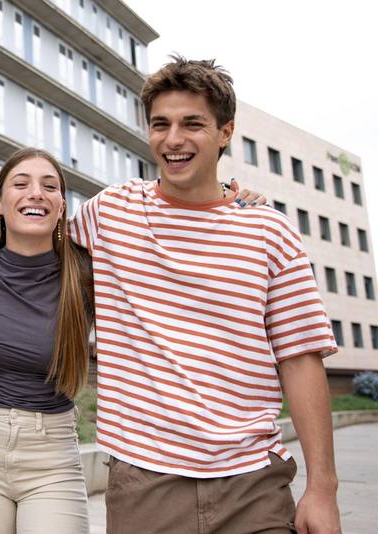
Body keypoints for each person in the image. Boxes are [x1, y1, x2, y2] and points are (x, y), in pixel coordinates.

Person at [70, 56, 341, 534]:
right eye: (160, 124)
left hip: (253, 487)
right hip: (144, 483)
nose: (173, 140)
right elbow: (28, 238)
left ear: (225, 132)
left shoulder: (268, 231)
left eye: (192, 123)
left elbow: (300, 359)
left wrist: (322, 489)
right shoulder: (112, 211)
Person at [0, 147, 94, 533]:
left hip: (54, 455)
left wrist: (232, 204)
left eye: (50, 186)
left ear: (61, 206)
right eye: (21, 183)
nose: (36, 193)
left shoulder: (86, 273)